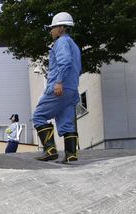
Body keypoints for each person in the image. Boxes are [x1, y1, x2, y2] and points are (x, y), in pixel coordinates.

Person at [32, 12, 82, 163]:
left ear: (61, 28)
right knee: (66, 121)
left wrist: (59, 82)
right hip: (72, 89)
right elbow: (78, 68)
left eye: (52, 28)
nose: (50, 31)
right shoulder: (74, 45)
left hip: (60, 88)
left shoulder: (61, 42)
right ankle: (71, 155)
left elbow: (65, 62)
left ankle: (50, 150)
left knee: (39, 116)